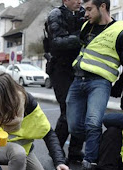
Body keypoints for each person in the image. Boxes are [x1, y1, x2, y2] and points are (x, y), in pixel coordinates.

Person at [65, 0, 123, 169]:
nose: (86, 13)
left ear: (103, 7)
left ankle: (90, 162)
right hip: (78, 80)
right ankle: (95, 143)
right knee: (74, 126)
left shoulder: (119, 31)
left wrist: (119, 85)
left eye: (89, 9)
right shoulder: (86, 27)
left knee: (93, 123)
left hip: (100, 83)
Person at [0, 71, 69, 170]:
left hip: (25, 151)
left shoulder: (26, 103)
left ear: (9, 99)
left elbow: (48, 133)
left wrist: (59, 162)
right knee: (18, 153)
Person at [45, 0, 86, 162]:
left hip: (80, 68)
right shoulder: (56, 14)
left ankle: (75, 151)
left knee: (80, 111)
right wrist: (82, 37)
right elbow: (57, 42)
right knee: (67, 111)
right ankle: (56, 150)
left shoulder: (85, 13)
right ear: (65, 0)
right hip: (60, 69)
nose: (79, 1)